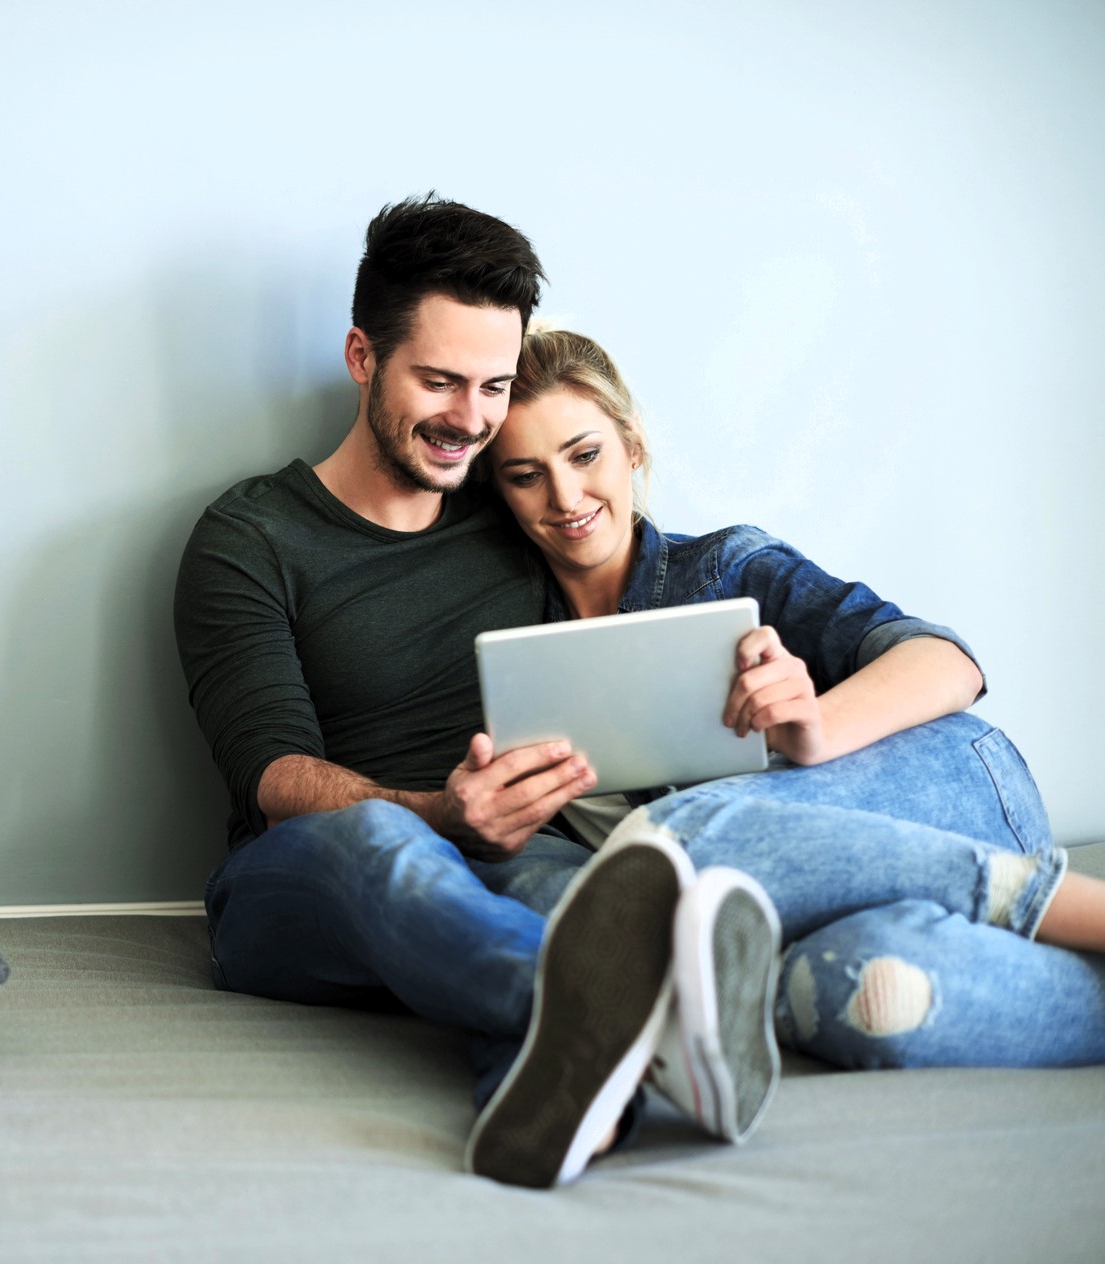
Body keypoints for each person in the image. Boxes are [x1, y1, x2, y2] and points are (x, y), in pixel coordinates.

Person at [173, 195, 782, 1191]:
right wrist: (435, 812)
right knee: (384, 844)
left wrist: (756, 683)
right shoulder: (250, 538)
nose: (469, 419)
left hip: (511, 858)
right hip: (301, 882)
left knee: (588, 906)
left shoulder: (512, 510)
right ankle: (640, 1015)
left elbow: (629, 571)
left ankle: (557, 1104)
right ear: (362, 356)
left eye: (492, 386)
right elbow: (270, 776)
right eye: (439, 380)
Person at [480, 325, 1105, 1066]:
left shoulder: (725, 568)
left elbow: (948, 662)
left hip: (952, 794)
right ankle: (737, 994)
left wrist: (815, 727)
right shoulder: (508, 649)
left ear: (632, 444)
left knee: (658, 848)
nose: (565, 495)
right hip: (815, 907)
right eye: (525, 474)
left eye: (585, 455)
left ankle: (1019, 891)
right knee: (857, 989)